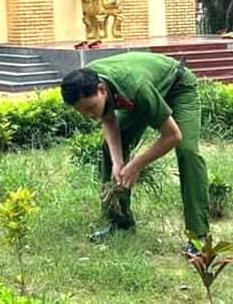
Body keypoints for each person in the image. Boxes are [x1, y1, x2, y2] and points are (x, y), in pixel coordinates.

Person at [60, 52, 209, 248]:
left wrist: (135, 165)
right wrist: (118, 162)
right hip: (143, 94)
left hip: (177, 87)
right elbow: (107, 118)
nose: (88, 116)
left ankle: (199, 236)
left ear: (101, 90)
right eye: (81, 112)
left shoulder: (135, 88)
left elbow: (172, 136)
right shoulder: (91, 79)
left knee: (187, 151)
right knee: (110, 147)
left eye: (89, 108)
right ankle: (119, 223)